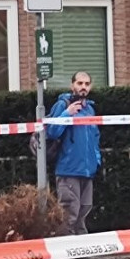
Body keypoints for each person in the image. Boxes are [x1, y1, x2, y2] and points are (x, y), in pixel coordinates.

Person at [46, 71, 102, 235]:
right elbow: (52, 132)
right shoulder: (62, 105)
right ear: (72, 86)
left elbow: (95, 136)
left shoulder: (89, 109)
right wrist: (66, 114)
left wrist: (96, 159)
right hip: (68, 168)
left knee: (84, 210)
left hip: (87, 169)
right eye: (79, 83)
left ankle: (80, 248)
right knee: (69, 211)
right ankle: (65, 249)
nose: (83, 87)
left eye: (86, 84)